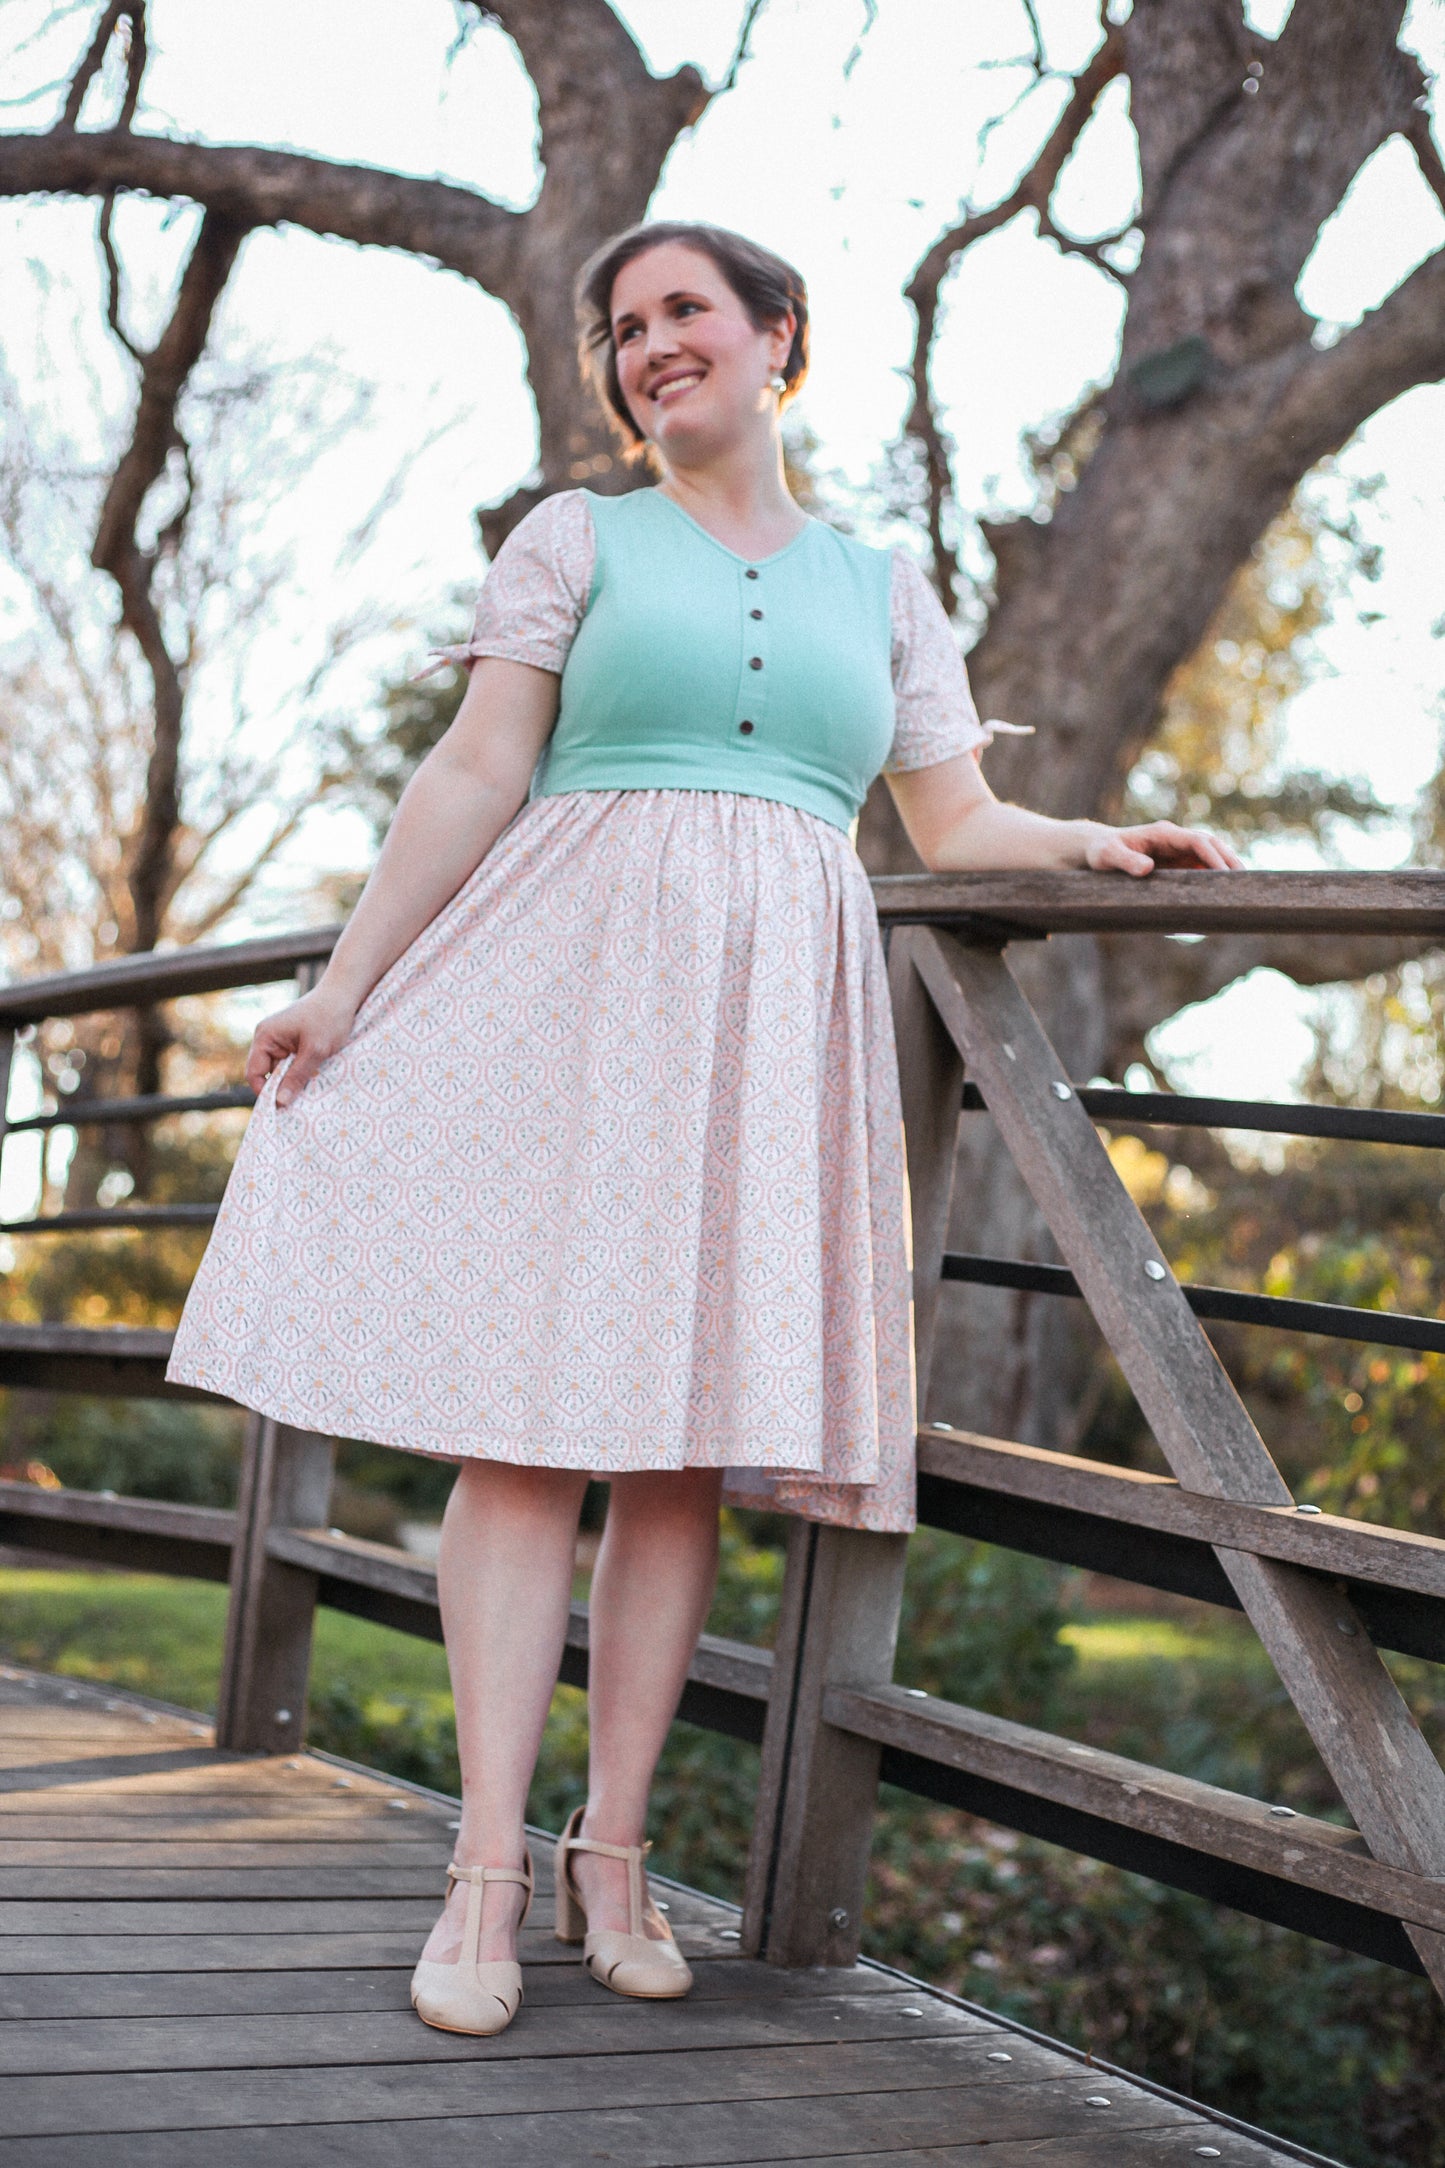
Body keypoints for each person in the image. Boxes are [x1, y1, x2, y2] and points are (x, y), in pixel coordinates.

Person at [166, 219, 1239, 2038]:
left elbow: (950, 823)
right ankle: (484, 1868)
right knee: (525, 1441)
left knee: (672, 1459)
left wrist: (1088, 842)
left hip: (768, 1036)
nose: (648, 342)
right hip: (568, 1007)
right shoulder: (573, 539)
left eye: (683, 311)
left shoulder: (882, 588)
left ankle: (613, 1851)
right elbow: (478, 768)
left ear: (774, 337)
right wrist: (342, 992)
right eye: (622, 326)